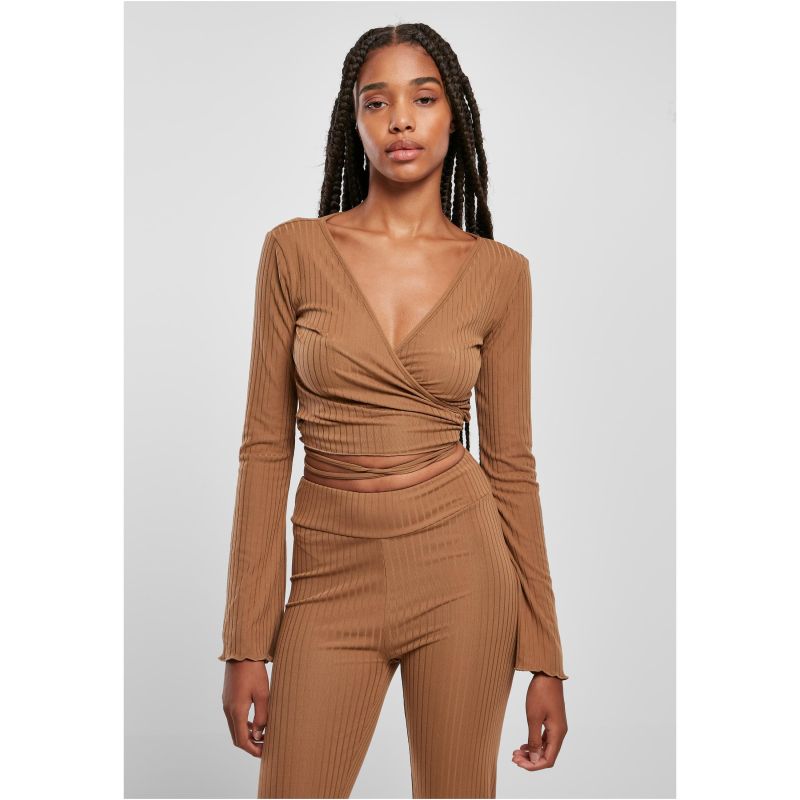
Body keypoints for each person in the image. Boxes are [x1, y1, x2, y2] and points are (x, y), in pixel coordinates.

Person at [219, 22, 569, 799]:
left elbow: (511, 464)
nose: (400, 120)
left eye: (423, 98)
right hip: (329, 574)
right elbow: (266, 448)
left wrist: (545, 655)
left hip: (463, 572)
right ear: (354, 121)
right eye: (377, 102)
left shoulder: (500, 274)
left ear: (455, 117)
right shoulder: (294, 251)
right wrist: (246, 640)